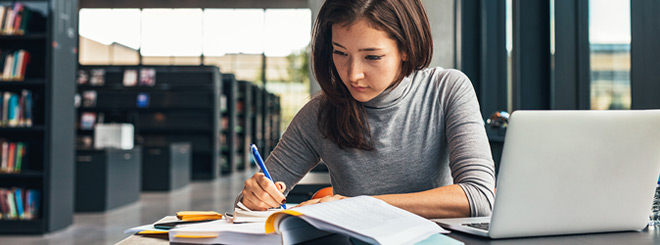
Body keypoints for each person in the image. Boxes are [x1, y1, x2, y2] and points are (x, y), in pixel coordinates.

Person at [238, 0, 495, 219]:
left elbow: (479, 197)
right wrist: (253, 198)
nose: (353, 74)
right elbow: (246, 207)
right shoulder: (318, 113)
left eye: (372, 57)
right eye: (340, 53)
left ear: (405, 48)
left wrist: (356, 207)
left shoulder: (447, 90)